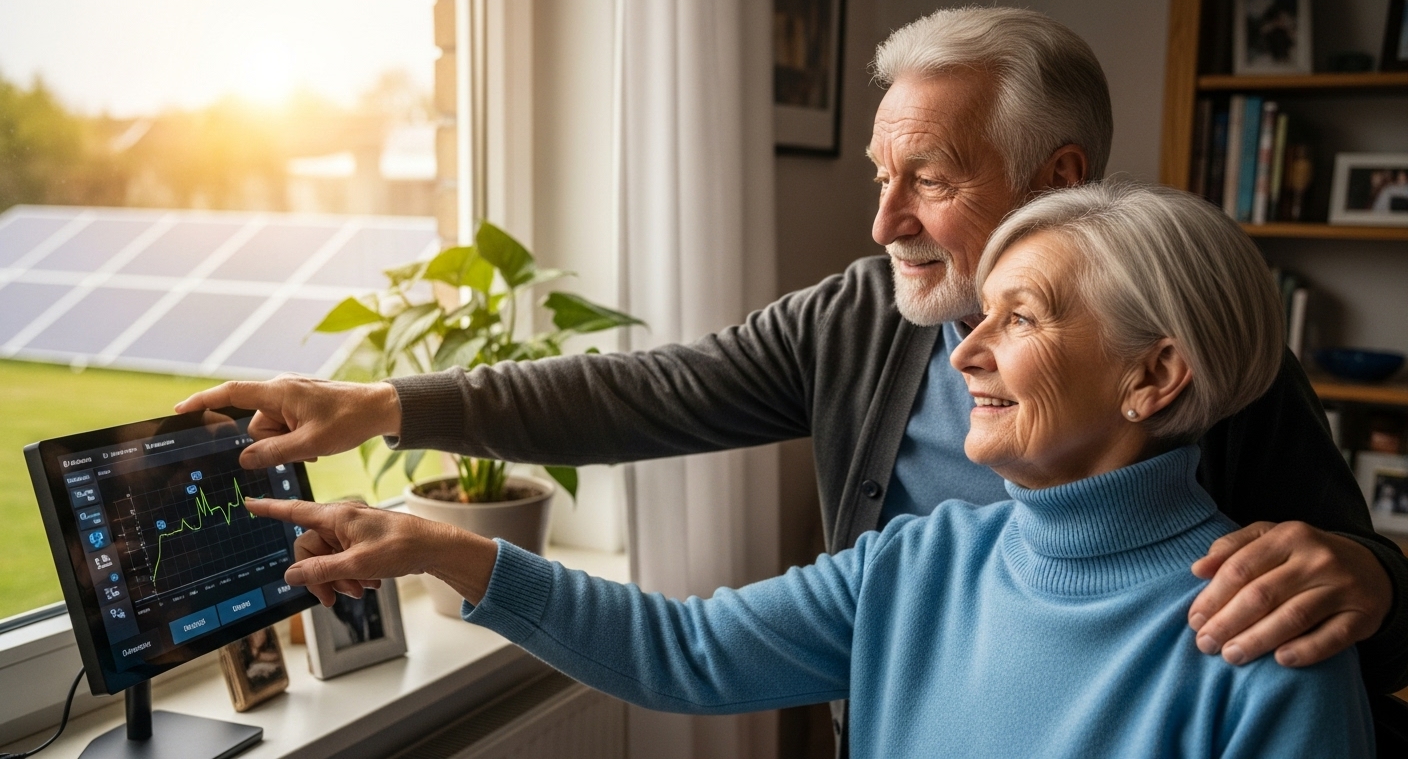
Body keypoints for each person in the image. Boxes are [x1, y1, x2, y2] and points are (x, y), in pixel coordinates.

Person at [177, 7, 1408, 714]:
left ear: (1057, 183)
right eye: (883, 176)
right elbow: (649, 407)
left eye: (928, 178)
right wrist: (386, 408)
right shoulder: (913, 557)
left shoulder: (1247, 644)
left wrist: (1369, 573)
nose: (883, 223)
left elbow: (1354, 588)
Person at [243, 182, 1375, 757]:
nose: (965, 350)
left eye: (1016, 319)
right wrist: (445, 548)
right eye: (975, 317)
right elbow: (678, 652)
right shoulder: (919, 562)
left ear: (1154, 377)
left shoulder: (1260, 642)